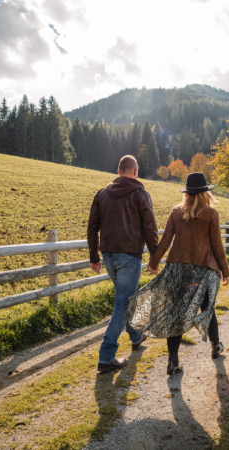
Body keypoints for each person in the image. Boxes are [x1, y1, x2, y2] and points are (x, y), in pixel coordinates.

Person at [127, 172, 229, 375]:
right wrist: (225, 271)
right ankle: (215, 346)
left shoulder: (176, 212)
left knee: (175, 313)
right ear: (204, 193)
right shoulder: (211, 214)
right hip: (202, 271)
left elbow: (165, 241)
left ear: (187, 193)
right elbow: (218, 246)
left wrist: (153, 263)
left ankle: (173, 360)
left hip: (177, 270)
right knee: (207, 308)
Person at [87, 155, 160, 373]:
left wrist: (94, 256)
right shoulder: (140, 193)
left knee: (125, 299)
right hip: (129, 256)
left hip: (108, 256)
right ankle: (107, 355)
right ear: (135, 172)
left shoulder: (102, 194)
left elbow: (92, 227)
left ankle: (137, 337)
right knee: (123, 303)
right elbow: (150, 226)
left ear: (118, 171)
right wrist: (154, 259)